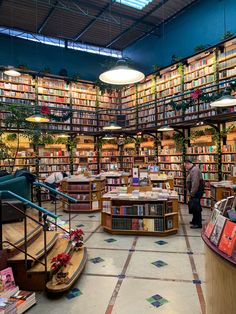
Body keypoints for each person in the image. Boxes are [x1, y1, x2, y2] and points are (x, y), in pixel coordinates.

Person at [184, 159, 204, 229]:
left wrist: (192, 193)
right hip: (195, 191)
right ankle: (194, 220)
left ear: (188, 164)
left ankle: (198, 223)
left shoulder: (194, 170)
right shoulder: (192, 169)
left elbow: (195, 183)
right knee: (194, 205)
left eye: (185, 166)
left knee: (196, 207)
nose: (185, 167)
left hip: (196, 191)